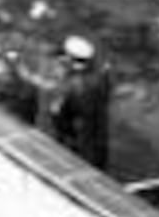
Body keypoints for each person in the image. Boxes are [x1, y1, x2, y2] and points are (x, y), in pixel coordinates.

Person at [45, 32, 113, 170]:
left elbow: (56, 114)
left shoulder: (69, 87)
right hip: (97, 143)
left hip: (74, 147)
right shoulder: (100, 81)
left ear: (69, 59)